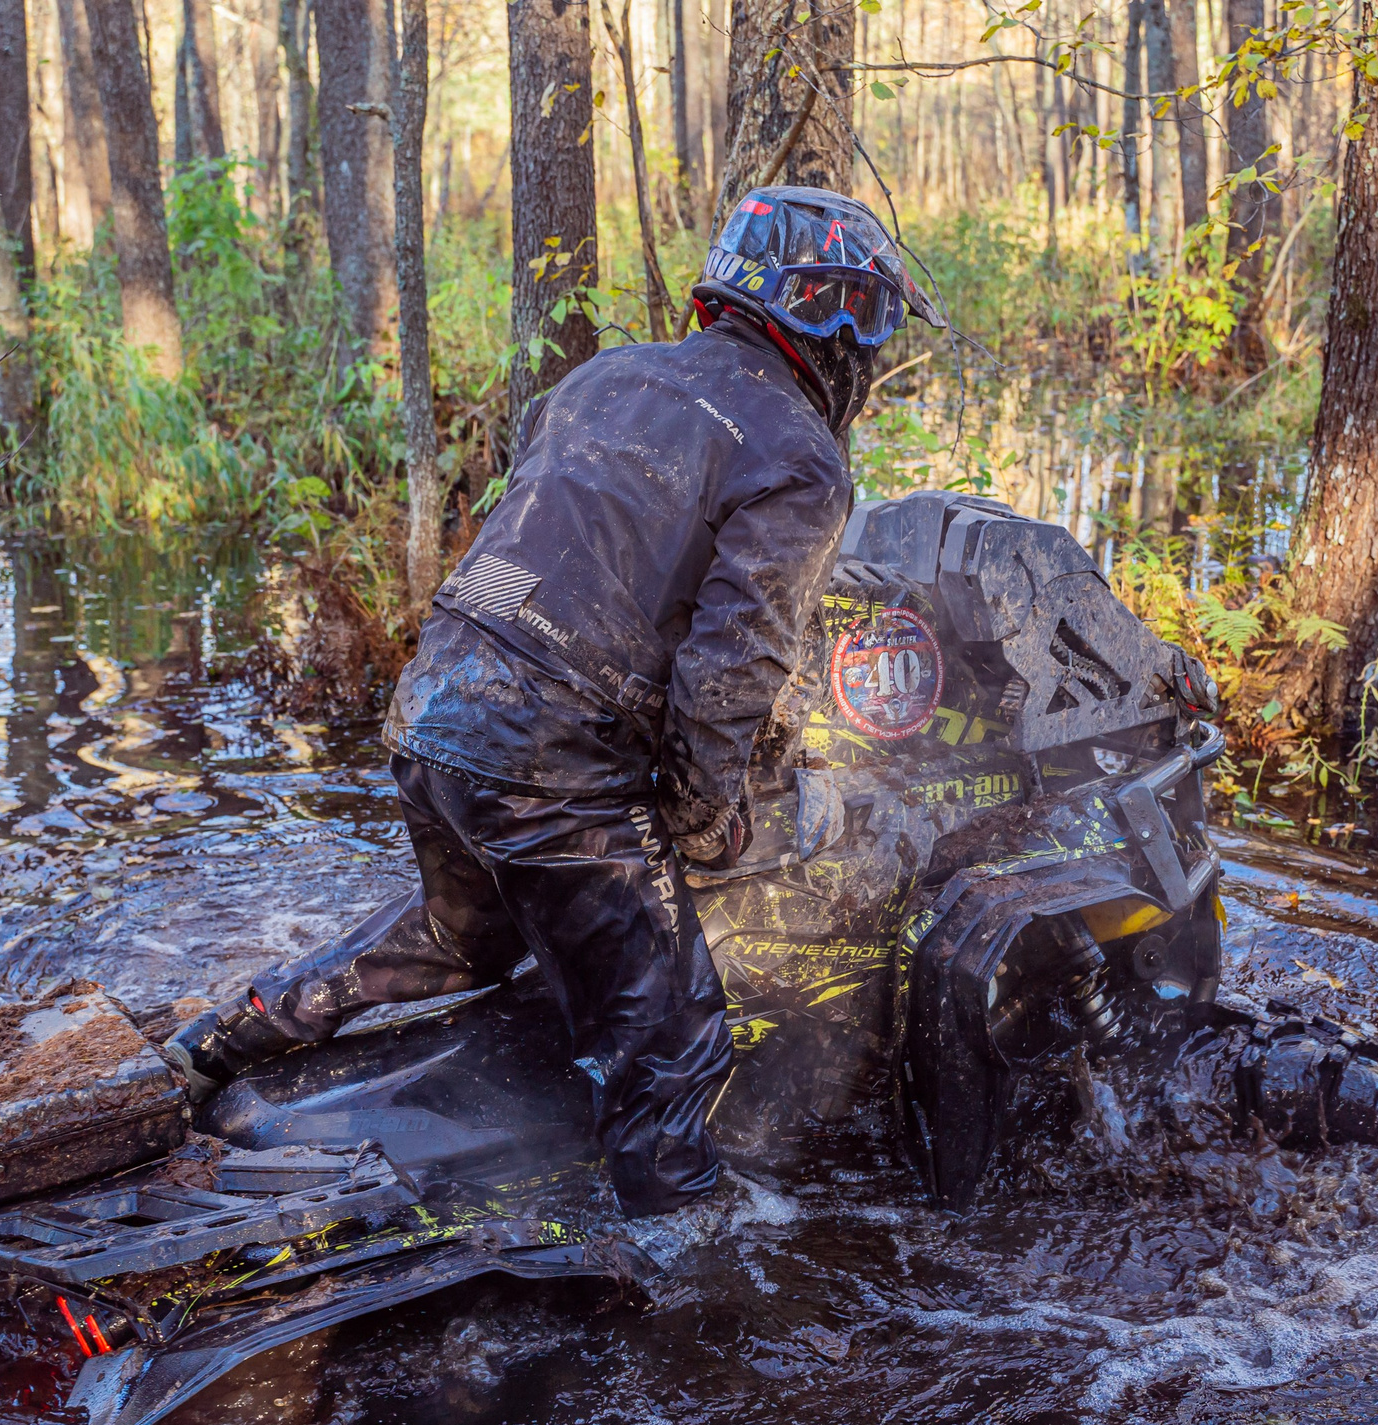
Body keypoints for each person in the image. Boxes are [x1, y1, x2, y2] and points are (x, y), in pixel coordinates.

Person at [164, 187, 944, 1216]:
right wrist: (705, 819)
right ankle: (681, 1265)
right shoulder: (801, 456)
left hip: (435, 708)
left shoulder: (602, 377)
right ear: (829, 319)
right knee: (674, 1043)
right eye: (871, 326)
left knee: (464, 937)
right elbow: (731, 665)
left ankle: (217, 1042)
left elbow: (566, 552)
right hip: (553, 761)